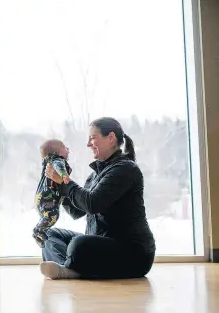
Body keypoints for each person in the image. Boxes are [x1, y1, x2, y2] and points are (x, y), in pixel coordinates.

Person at [40, 117, 156, 280]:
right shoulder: (95, 175)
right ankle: (68, 269)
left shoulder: (125, 169)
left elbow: (92, 203)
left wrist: (65, 183)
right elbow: (76, 211)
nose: (88, 144)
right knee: (48, 235)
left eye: (92, 138)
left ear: (110, 138)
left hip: (133, 253)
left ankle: (69, 268)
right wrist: (58, 186)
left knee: (79, 245)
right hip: (101, 244)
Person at [32, 139, 72, 248]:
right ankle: (38, 231)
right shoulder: (57, 159)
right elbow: (59, 166)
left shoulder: (48, 162)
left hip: (41, 197)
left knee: (46, 217)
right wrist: (64, 175)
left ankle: (41, 232)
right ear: (57, 152)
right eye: (65, 148)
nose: (67, 149)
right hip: (47, 198)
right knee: (53, 215)